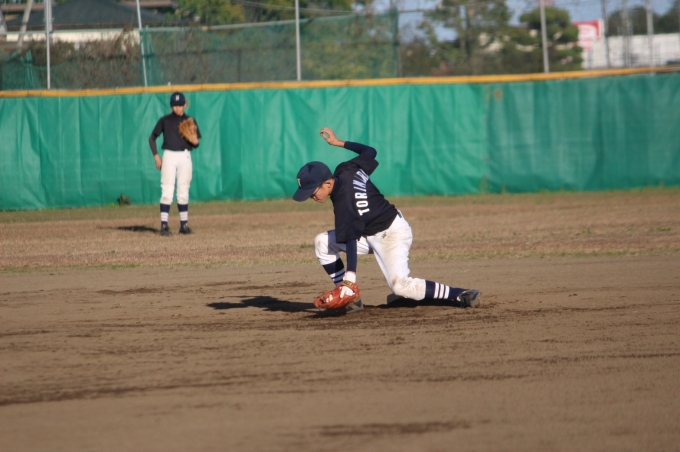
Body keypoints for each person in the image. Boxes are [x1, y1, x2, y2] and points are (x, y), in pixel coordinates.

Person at [293, 127, 480, 309]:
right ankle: (349, 298)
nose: (311, 196)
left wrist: (350, 279)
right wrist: (339, 142)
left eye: (312, 192)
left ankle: (460, 294)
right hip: (368, 232)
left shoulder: (345, 201)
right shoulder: (347, 168)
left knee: (401, 286)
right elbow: (370, 151)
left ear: (327, 183)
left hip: (391, 233)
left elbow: (350, 240)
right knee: (322, 242)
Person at [149, 92, 201, 236]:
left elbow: (196, 143)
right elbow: (152, 138)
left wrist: (195, 142)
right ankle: (164, 226)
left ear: (185, 105)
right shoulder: (165, 120)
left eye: (180, 105)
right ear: (171, 106)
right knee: (167, 190)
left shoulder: (190, 121)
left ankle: (184, 225)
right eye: (175, 105)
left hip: (185, 155)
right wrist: (156, 156)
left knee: (183, 190)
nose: (177, 108)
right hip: (169, 155)